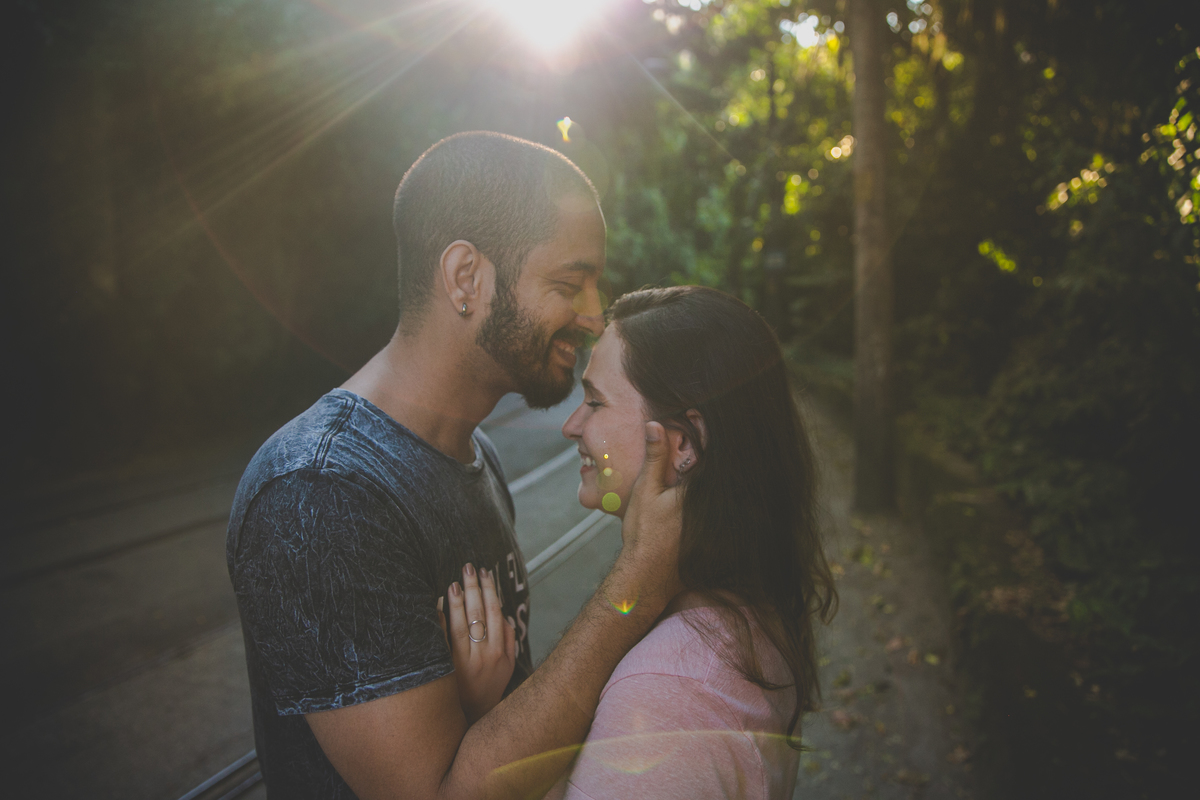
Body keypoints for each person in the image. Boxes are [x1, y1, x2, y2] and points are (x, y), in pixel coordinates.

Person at [226, 131, 685, 800]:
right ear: (467, 276)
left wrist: (483, 713)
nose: (593, 314)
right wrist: (642, 579)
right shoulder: (323, 490)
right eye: (569, 281)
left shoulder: (475, 454)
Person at [445, 285, 837, 799]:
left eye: (595, 402)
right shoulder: (746, 614)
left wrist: (475, 724)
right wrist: (493, 716)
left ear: (681, 444)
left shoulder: (662, 699)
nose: (571, 426)